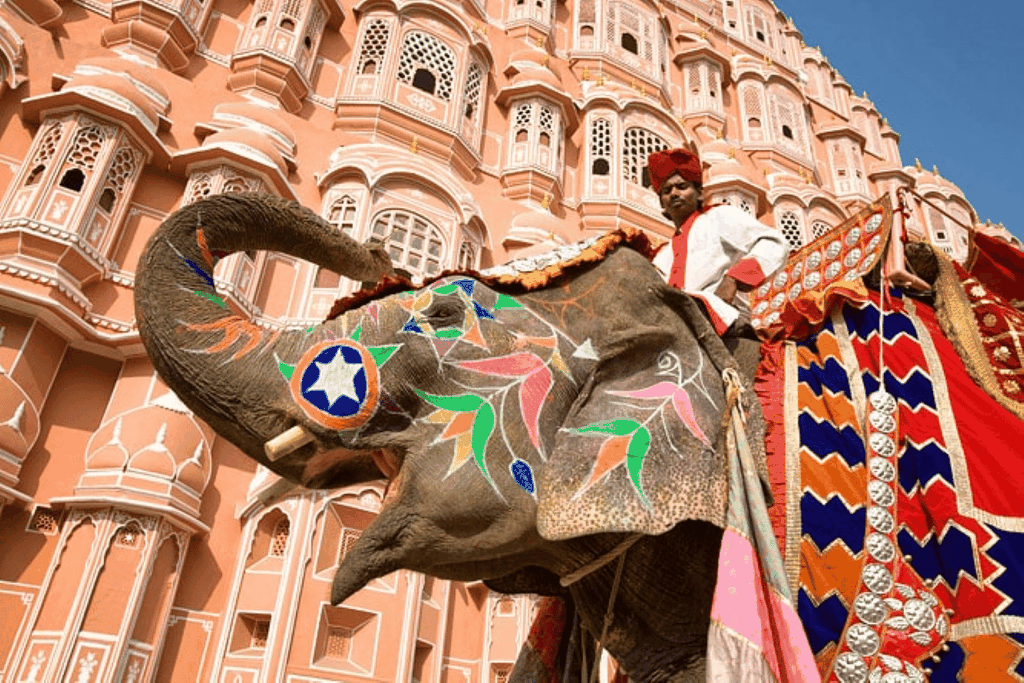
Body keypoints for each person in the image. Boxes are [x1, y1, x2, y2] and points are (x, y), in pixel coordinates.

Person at [647, 148, 788, 336]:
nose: (674, 193)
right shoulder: (662, 256)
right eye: (666, 190)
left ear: (698, 193)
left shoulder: (718, 217)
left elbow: (774, 243)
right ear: (662, 203)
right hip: (677, 333)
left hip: (724, 319)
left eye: (682, 187)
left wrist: (734, 279)